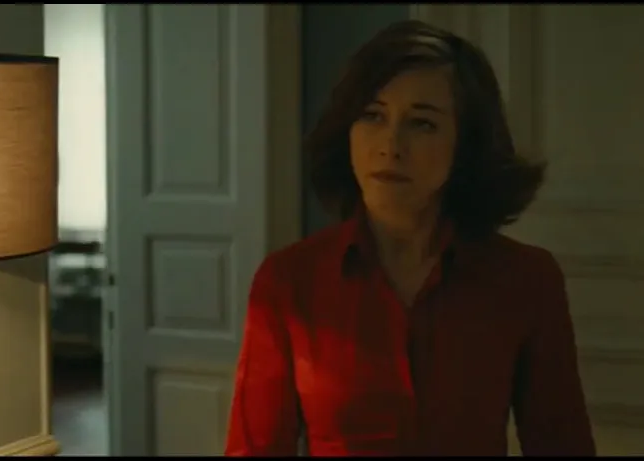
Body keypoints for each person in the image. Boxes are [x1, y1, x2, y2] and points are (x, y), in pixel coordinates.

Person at [224, 20, 596, 457]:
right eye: (372, 115)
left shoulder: (527, 280)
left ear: (465, 144)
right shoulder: (289, 281)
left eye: (422, 124)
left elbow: (562, 444)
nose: (390, 145)